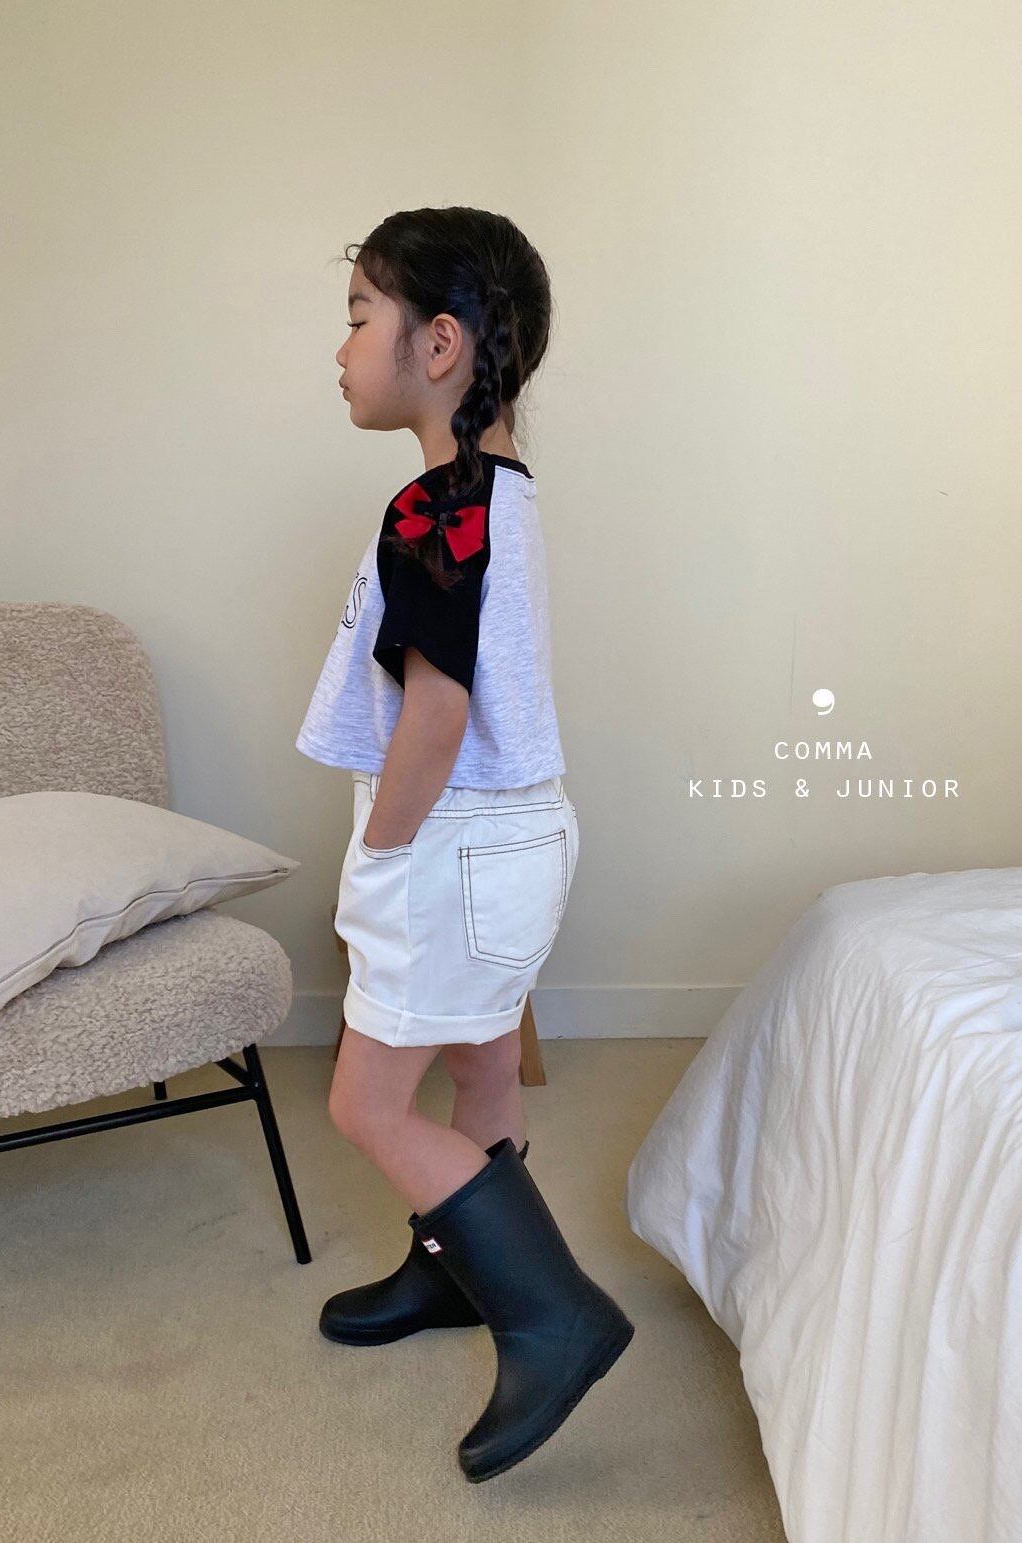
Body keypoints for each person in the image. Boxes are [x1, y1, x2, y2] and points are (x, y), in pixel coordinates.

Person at [295, 206, 633, 1483]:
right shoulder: (504, 493)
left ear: (438, 344)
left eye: (358, 319)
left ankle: (552, 1314)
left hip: (451, 840)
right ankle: (456, 1272)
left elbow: (435, 715)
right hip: (523, 833)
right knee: (484, 1065)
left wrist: (381, 853)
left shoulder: (437, 507)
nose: (340, 349)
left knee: (365, 1100)